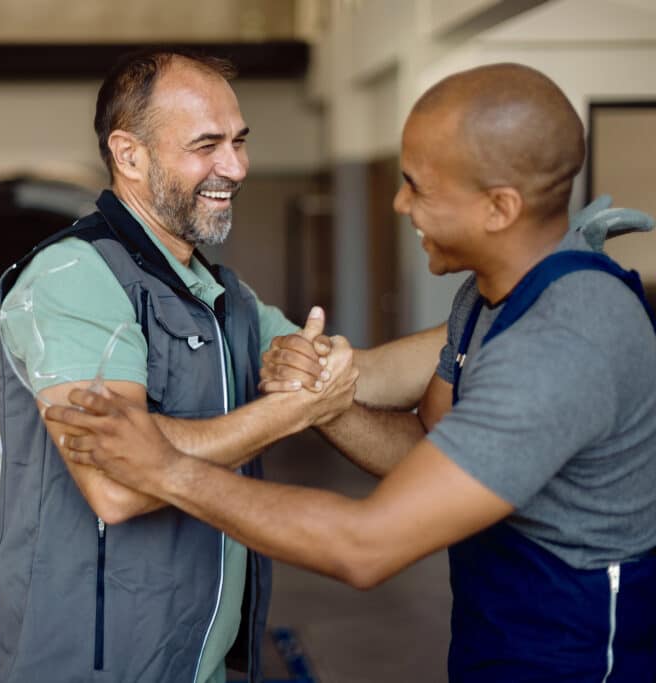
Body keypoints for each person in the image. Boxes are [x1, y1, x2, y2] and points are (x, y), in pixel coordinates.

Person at [46, 63, 656, 682]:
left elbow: (366, 546)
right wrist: (330, 402)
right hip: (498, 649)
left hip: (587, 663)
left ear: (498, 208)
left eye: (418, 187)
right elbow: (426, 450)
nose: (398, 203)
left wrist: (170, 469)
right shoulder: (486, 299)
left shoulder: (569, 337)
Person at [0, 49, 359, 683]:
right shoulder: (76, 279)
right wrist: (289, 411)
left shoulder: (222, 295)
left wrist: (335, 360)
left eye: (239, 142)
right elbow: (118, 486)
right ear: (129, 154)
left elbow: (344, 373)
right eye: (207, 145)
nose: (236, 167)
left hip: (196, 662)